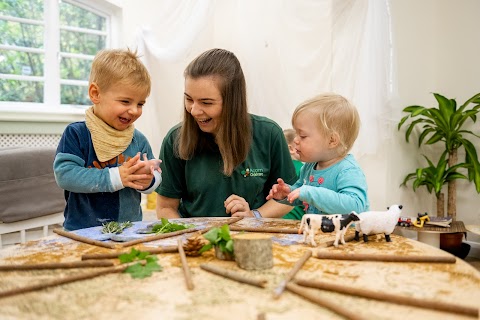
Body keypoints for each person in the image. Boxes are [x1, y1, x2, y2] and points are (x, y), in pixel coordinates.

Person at [155, 48, 297, 219]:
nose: (194, 110)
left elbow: (289, 198)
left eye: (206, 103)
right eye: (189, 99)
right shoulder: (175, 139)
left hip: (253, 241)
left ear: (233, 101)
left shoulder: (269, 134)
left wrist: (254, 216)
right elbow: (165, 208)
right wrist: (190, 240)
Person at [54, 48, 162, 230]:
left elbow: (157, 177)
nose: (134, 110)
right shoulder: (77, 134)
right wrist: (116, 177)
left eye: (140, 103)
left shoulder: (138, 140)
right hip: (83, 230)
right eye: (126, 102)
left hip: (129, 229)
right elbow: (65, 175)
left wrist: (149, 179)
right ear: (95, 94)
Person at [267, 93, 369, 215]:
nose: (295, 140)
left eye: (303, 136)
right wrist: (289, 192)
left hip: (347, 233)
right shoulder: (310, 166)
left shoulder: (347, 170)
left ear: (332, 140)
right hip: (319, 232)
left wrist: (310, 193)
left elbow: (355, 205)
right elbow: (303, 193)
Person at [282, 128, 305, 220]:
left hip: (274, 216)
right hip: (296, 219)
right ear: (291, 149)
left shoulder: (279, 168)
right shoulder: (303, 169)